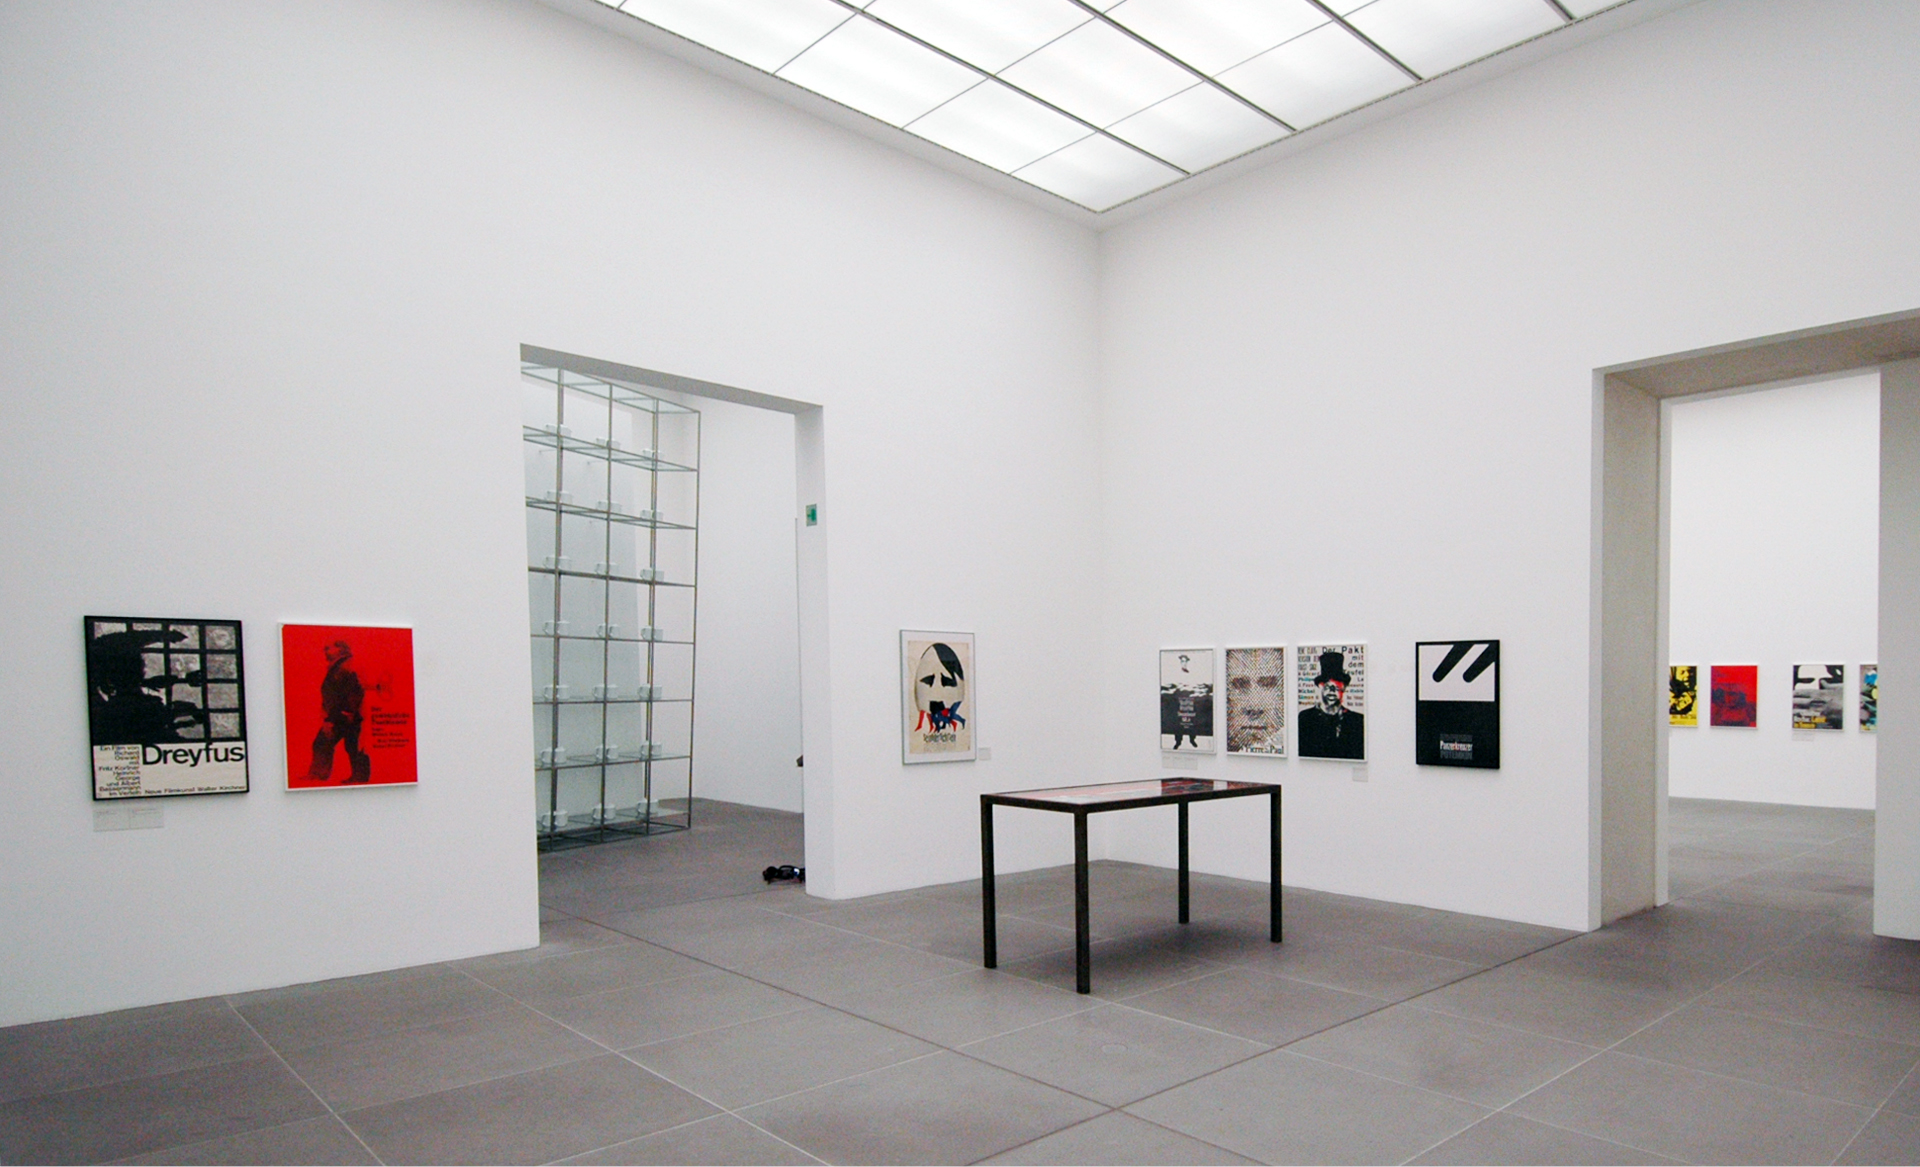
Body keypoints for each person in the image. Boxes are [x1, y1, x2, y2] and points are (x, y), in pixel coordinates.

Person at [309, 639, 371, 783]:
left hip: (343, 715)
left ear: (340, 649)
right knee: (352, 746)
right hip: (344, 714)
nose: (326, 650)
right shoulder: (341, 665)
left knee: (328, 743)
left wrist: (346, 712)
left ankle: (319, 775)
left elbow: (354, 691)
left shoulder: (344, 666)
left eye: (329, 648)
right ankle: (359, 778)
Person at [1298, 648, 1364, 759]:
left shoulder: (1357, 721)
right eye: (1328, 686)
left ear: (1344, 688)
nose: (1332, 692)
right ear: (1320, 686)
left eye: (1336, 687)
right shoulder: (1305, 719)